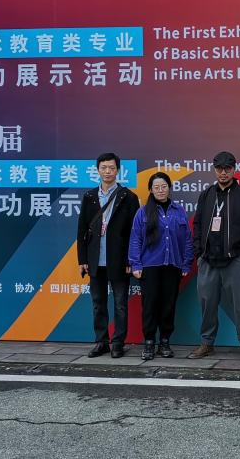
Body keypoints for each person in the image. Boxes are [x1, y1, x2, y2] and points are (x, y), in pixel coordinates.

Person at [188, 151, 240, 362]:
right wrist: (199, 252)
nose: (223, 173)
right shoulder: (206, 194)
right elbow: (197, 224)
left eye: (227, 169)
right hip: (208, 260)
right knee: (207, 304)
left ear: (234, 170)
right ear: (215, 170)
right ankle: (207, 343)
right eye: (219, 169)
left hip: (234, 259)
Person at [76, 152, 140, 358]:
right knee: (98, 303)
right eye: (103, 168)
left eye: (111, 168)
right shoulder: (89, 197)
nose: (107, 172)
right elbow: (82, 230)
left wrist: (131, 259)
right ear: (97, 170)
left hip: (119, 260)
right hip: (95, 259)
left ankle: (118, 343)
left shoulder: (128, 197)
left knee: (120, 304)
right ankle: (101, 342)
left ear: (118, 170)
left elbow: (134, 233)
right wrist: (82, 259)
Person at [129, 172, 194, 361]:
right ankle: (149, 342)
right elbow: (135, 238)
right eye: (156, 187)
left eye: (164, 186)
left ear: (169, 188)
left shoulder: (178, 210)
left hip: (172, 265)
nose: (160, 190)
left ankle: (165, 341)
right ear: (150, 189)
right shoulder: (142, 212)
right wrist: (135, 263)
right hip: (149, 266)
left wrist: (186, 263)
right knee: (150, 305)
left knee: (168, 305)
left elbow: (187, 239)